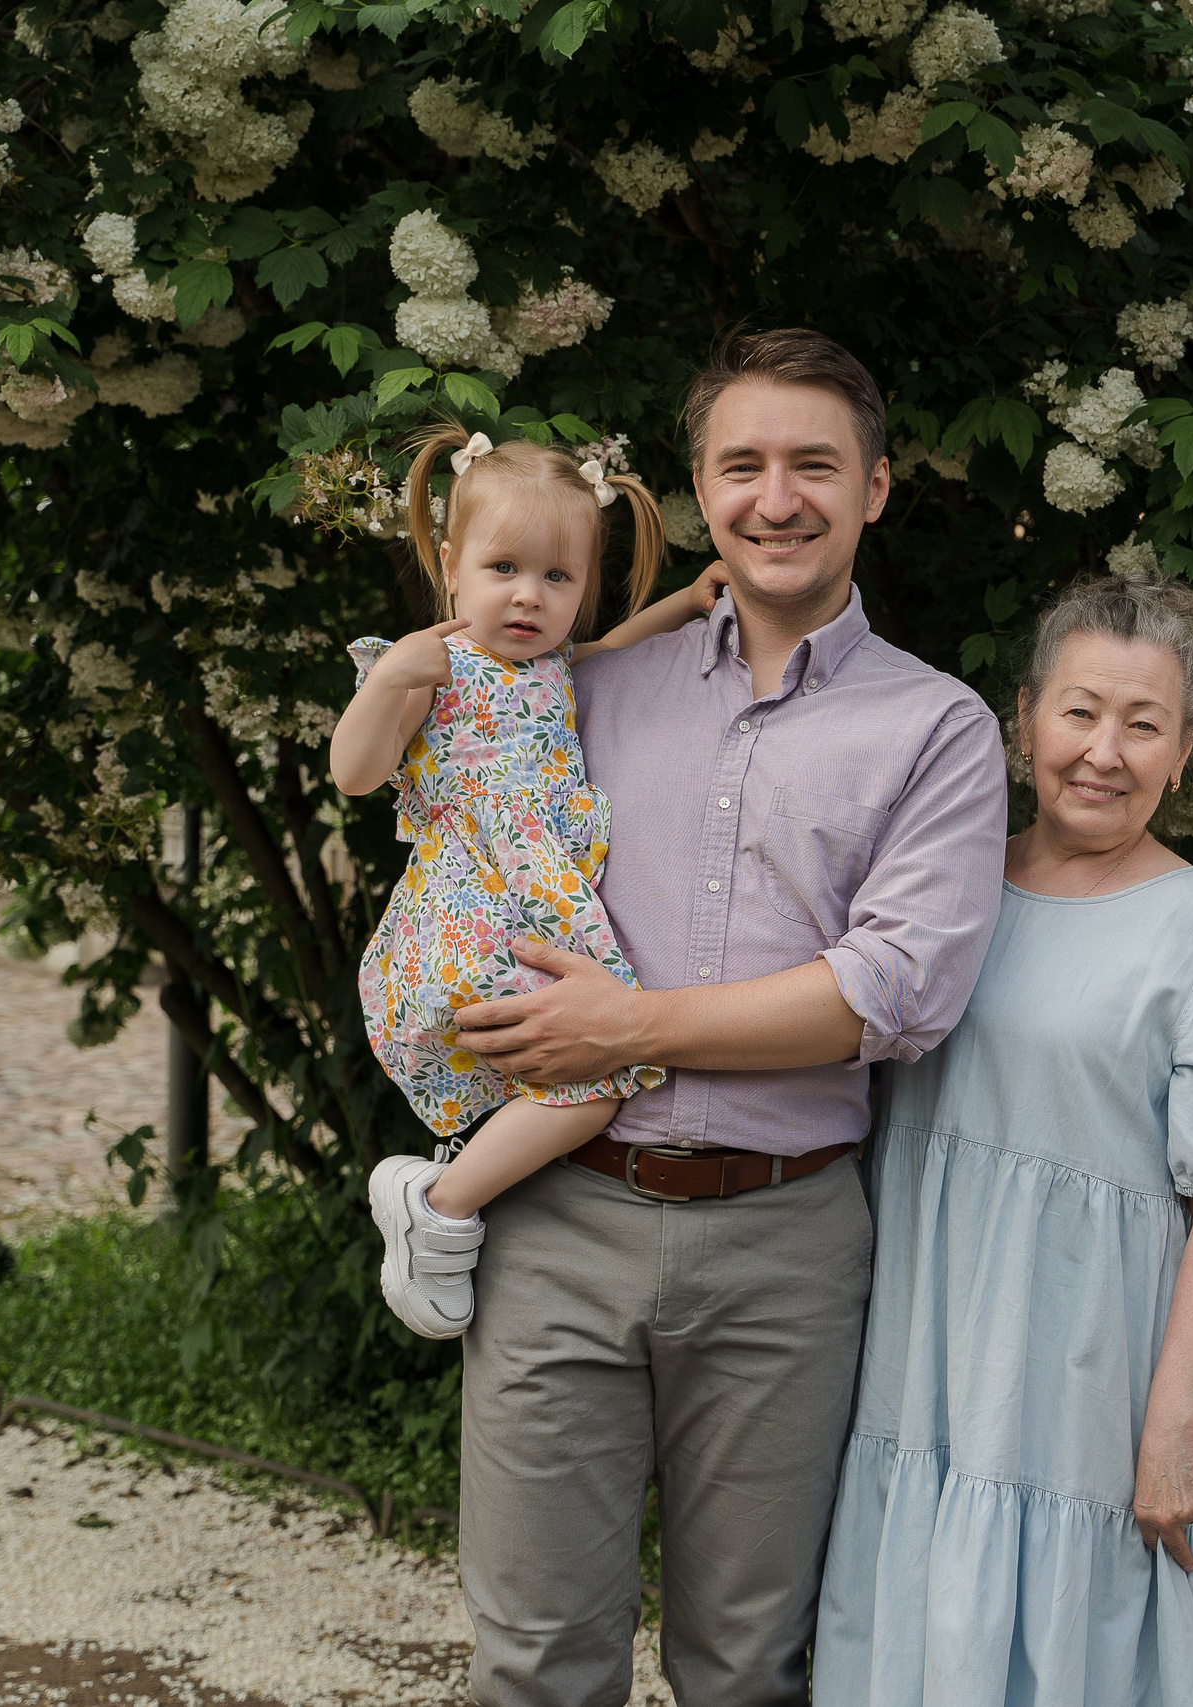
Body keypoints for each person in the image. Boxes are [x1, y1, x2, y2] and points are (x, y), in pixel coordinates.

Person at [439, 329, 1011, 1707]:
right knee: (533, 1658)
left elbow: (892, 990)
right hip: (558, 1221)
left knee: (748, 1666)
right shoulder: (583, 689)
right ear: (700, 490)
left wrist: (629, 1027)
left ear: (875, 487)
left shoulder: (936, 727)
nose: (778, 497)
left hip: (783, 1244)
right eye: (742, 465)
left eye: (815, 464)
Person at [815, 574, 1193, 1707]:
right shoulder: (937, 895)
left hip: (1085, 1377)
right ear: (1025, 717)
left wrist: (1175, 1422)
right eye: (1080, 712)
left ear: (1183, 754)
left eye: (1143, 725)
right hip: (924, 1346)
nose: (1103, 752)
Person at [332, 428, 725, 1339]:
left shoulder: (552, 668)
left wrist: (683, 602)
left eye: (558, 577)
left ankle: (448, 1200)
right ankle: (439, 1203)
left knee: (580, 1075)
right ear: (450, 566)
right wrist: (386, 681)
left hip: (526, 914)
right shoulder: (435, 666)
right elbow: (354, 773)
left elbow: (614, 647)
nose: (528, 594)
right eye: (503, 567)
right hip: (472, 917)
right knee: (597, 1080)